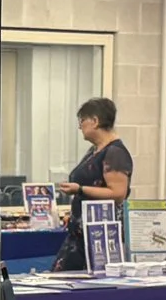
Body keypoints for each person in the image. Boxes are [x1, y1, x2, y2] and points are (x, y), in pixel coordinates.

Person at [52, 97, 133, 270]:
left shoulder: (115, 153)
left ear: (95, 121)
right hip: (79, 234)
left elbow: (118, 194)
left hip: (99, 238)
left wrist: (80, 189)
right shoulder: (95, 150)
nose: (80, 126)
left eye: (82, 121)